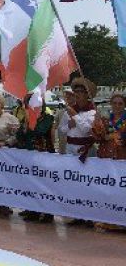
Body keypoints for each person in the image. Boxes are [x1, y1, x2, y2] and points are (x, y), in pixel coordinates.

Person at [15, 96, 56, 223]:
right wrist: (23, 126)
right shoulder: (25, 118)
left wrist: (30, 121)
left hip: (43, 156)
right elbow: (20, 135)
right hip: (28, 156)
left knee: (44, 186)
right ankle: (33, 211)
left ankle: (48, 213)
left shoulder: (48, 118)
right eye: (29, 104)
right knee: (31, 185)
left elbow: (40, 131)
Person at [91, 93, 126, 232]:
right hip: (105, 159)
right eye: (115, 103)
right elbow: (97, 138)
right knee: (107, 189)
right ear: (111, 104)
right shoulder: (105, 121)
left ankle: (121, 221)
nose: (117, 106)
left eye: (120, 103)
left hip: (122, 159)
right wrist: (96, 124)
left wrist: (117, 136)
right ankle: (107, 220)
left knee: (121, 190)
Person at [59, 77, 97, 162]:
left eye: (81, 92)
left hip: (85, 149)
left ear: (87, 94)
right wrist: (68, 126)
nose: (77, 94)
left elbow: (87, 130)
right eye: (76, 91)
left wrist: (75, 115)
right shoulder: (69, 110)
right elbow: (61, 130)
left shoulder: (92, 112)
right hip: (69, 148)